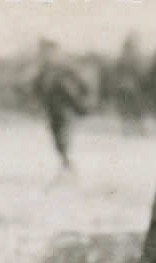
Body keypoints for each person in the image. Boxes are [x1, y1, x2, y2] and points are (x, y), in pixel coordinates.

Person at [33, 39, 88, 173]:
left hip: (66, 108)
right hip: (52, 109)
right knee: (56, 139)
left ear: (56, 53)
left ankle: (67, 163)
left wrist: (81, 97)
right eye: (45, 53)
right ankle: (65, 162)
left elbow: (82, 83)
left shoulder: (65, 68)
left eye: (50, 52)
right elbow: (37, 89)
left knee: (63, 135)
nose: (48, 56)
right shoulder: (43, 71)